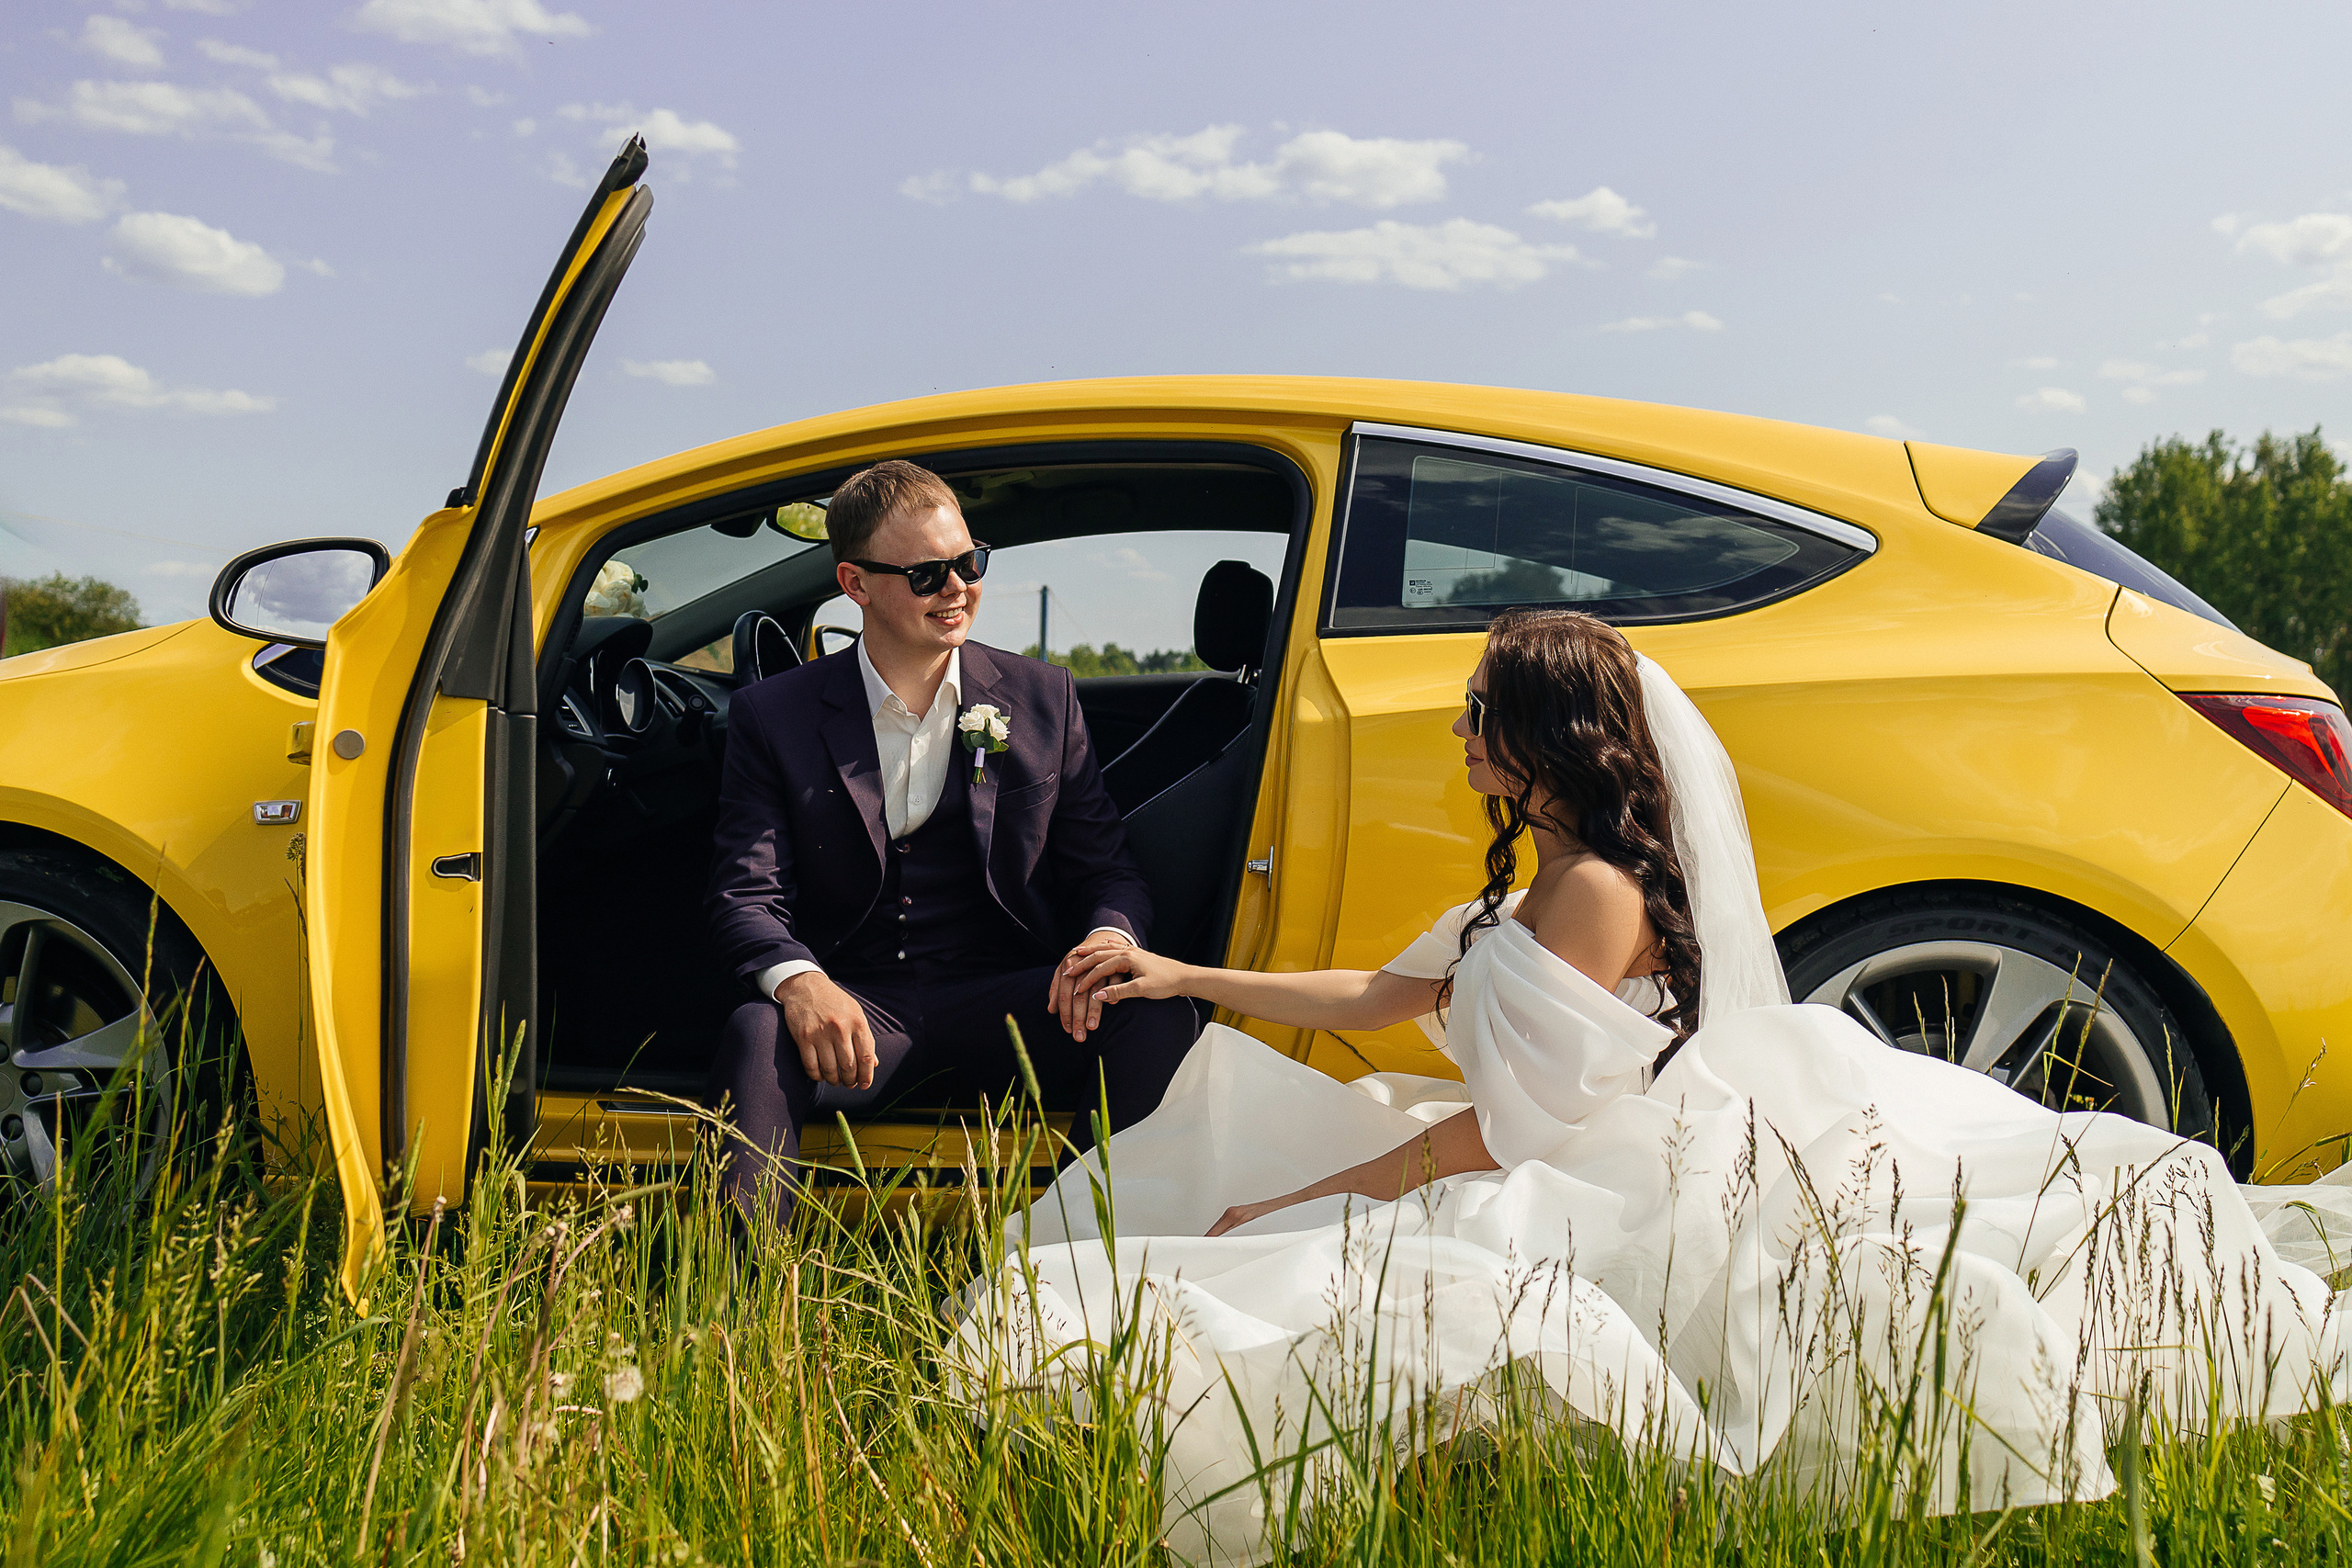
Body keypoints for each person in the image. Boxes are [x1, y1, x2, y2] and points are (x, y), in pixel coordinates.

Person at [954, 607, 2352, 1566]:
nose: (1453, 733)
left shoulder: (1596, 893)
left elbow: (1504, 1136)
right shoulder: (1547, 870)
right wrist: (1184, 976)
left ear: (1546, 734)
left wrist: (1296, 1199)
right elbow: (1387, 998)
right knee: (1223, 1142)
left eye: (1474, 713)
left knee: (1264, 1237)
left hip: (1568, 1169)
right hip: (1515, 1137)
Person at [705, 459, 1198, 1219]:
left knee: (1150, 1006)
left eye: (970, 563)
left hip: (1008, 1000)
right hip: (861, 1010)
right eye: (928, 572)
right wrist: (801, 983)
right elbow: (746, 893)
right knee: (757, 1028)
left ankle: (1089, 1257)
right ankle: (739, 1309)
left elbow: (1108, 869)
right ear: (855, 582)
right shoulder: (775, 715)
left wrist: (1107, 938)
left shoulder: (1042, 697)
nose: (958, 588)